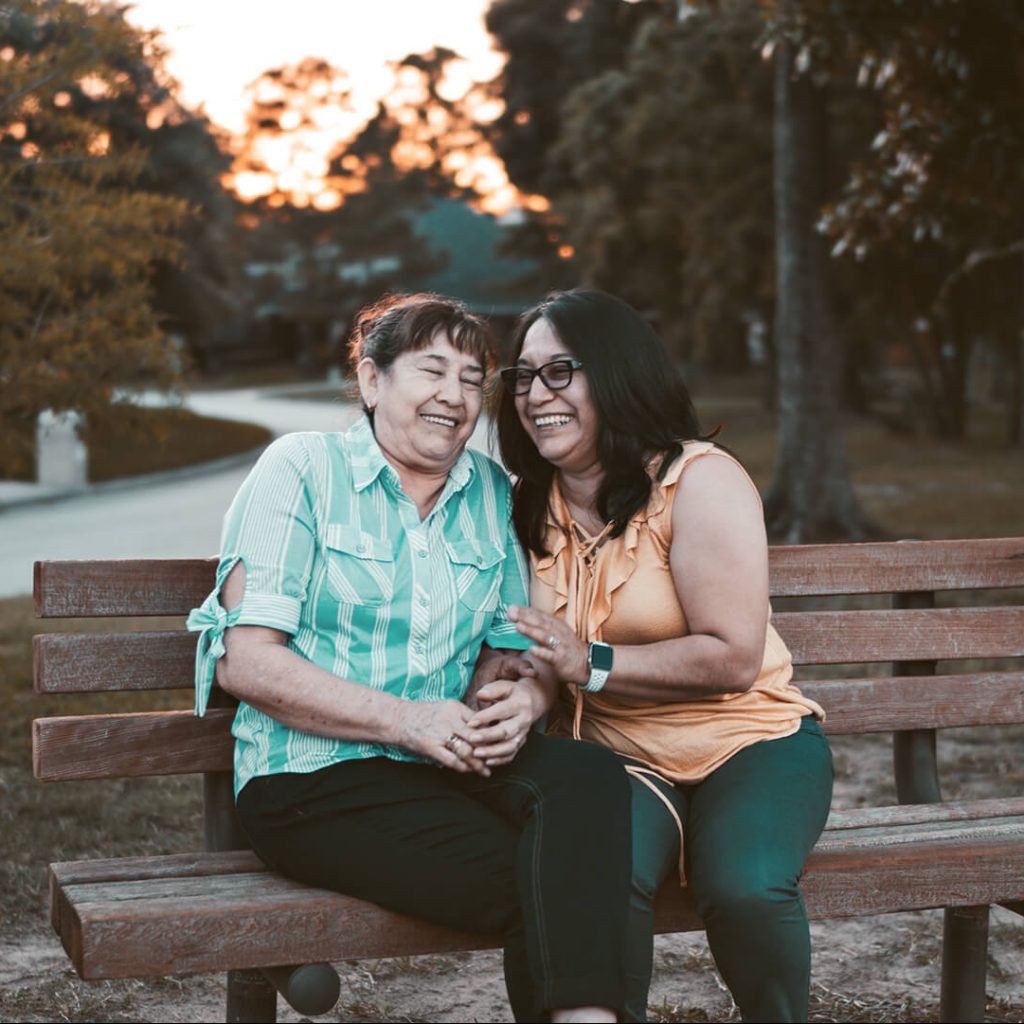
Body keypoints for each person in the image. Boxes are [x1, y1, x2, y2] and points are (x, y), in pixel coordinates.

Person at [187, 293, 632, 1024]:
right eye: (432, 370)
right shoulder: (301, 470)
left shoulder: (490, 492)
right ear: (371, 381)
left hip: (443, 765)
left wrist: (519, 698)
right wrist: (404, 720)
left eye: (470, 378)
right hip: (310, 783)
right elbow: (246, 662)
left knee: (587, 776)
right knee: (553, 882)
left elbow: (508, 647)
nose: (454, 396)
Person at [496, 289, 834, 1024]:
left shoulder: (698, 479)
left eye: (561, 371)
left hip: (749, 744)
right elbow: (528, 648)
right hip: (615, 758)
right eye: (522, 376)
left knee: (745, 885)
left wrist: (592, 663)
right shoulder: (523, 504)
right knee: (587, 882)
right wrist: (524, 687)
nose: (535, 395)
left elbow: (733, 656)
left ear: (615, 374)